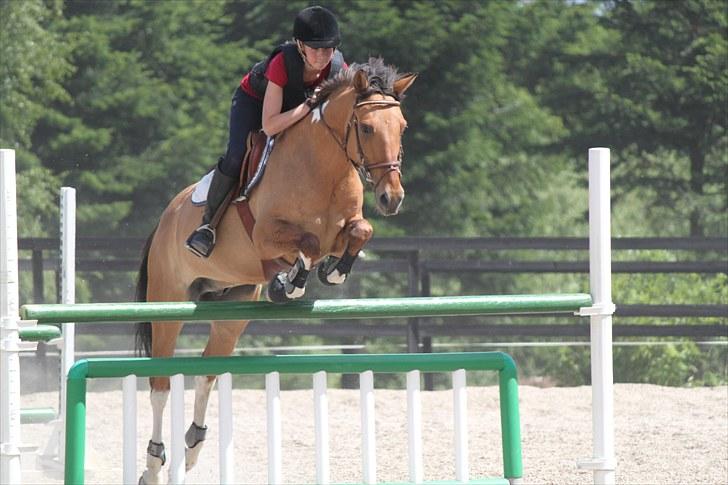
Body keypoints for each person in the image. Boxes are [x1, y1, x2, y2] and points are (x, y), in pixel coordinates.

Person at [186, 5, 346, 258]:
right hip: (255, 102)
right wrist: (307, 105)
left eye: (328, 49)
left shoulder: (338, 69)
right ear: (300, 45)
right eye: (315, 49)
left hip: (298, 105)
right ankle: (208, 226)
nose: (322, 56)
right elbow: (270, 126)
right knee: (237, 154)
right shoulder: (283, 62)